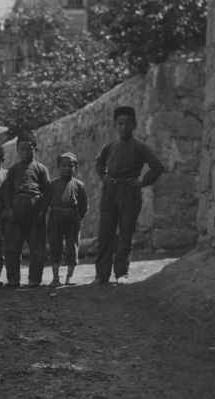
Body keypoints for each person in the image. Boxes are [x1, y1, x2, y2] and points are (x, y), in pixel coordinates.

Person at [93, 106, 165, 285]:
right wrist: (103, 176)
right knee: (105, 233)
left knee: (125, 234)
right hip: (109, 192)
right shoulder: (110, 146)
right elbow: (99, 163)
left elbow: (157, 167)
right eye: (120, 124)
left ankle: (121, 273)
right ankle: (101, 274)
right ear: (115, 125)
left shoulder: (140, 146)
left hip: (129, 192)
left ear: (134, 125)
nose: (124, 127)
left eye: (127, 124)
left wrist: (142, 182)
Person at [2, 131, 50, 287]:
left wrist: (42, 211)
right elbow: (7, 191)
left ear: (36, 149)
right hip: (17, 207)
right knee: (12, 245)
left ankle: (34, 278)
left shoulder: (41, 169)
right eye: (22, 149)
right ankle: (13, 278)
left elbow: (47, 191)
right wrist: (9, 209)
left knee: (37, 246)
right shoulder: (13, 170)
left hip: (35, 207)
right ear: (17, 150)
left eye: (29, 149)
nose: (25, 152)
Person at [42, 152, 89, 287]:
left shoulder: (79, 185)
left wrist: (77, 217)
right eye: (64, 165)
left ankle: (70, 276)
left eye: (71, 165)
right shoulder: (53, 183)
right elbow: (46, 201)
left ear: (76, 167)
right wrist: (43, 213)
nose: (67, 168)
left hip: (72, 217)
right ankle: (55, 277)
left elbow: (84, 204)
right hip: (55, 216)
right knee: (54, 245)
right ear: (58, 167)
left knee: (72, 246)